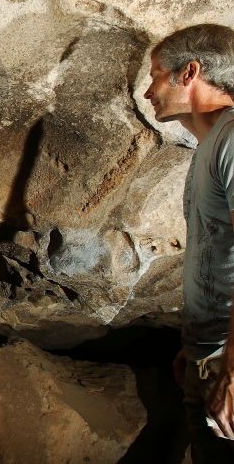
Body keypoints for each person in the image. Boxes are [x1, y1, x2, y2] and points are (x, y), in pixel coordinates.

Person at [144, 24, 234, 462]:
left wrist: (231, 368)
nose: (148, 92)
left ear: (189, 72)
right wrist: (195, 346)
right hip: (208, 354)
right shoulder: (210, 147)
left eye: (156, 75)